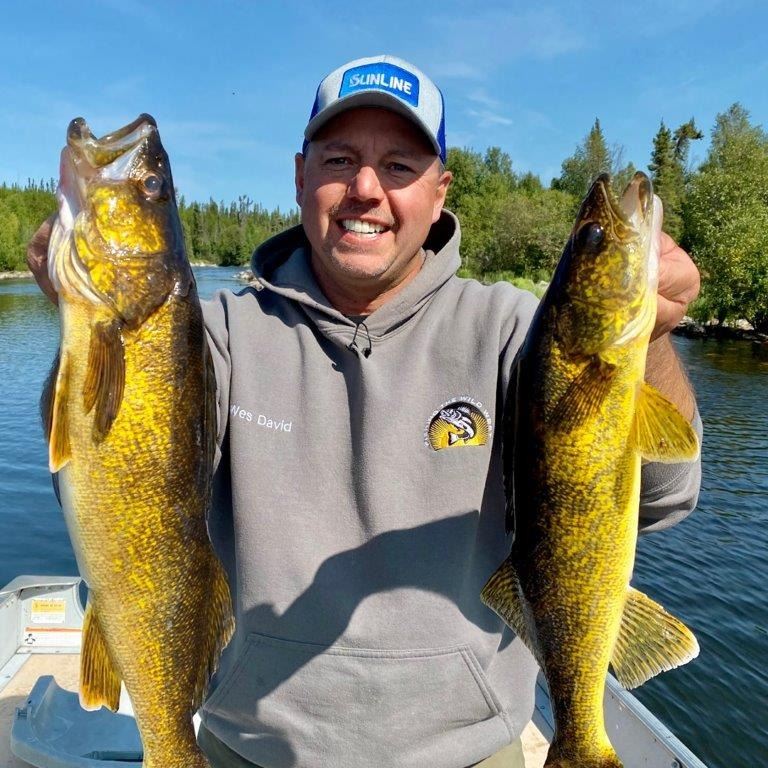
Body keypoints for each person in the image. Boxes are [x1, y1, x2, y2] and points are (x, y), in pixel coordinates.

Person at [28, 55, 702, 768]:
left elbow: (664, 497)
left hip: (469, 752)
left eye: (399, 166)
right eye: (340, 160)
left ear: (439, 193)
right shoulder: (214, 333)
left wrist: (651, 338)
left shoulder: (516, 331)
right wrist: (83, 324)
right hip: (248, 748)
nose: (366, 189)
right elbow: (105, 475)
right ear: (300, 178)